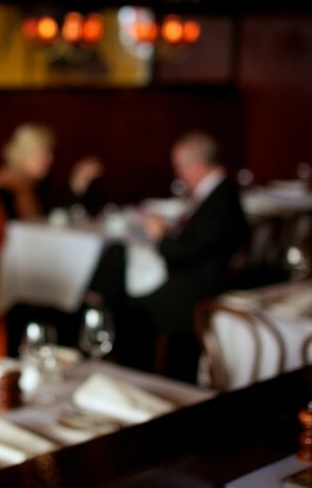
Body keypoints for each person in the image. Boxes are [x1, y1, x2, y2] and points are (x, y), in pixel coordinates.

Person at [84, 130, 249, 384]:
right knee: (119, 263)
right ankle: (117, 359)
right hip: (195, 275)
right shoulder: (219, 191)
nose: (179, 173)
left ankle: (130, 369)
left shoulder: (221, 199)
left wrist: (160, 236)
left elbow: (183, 254)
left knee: (121, 286)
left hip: (194, 290)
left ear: (198, 164)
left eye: (180, 166)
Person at [0, 122, 106, 221]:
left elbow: (57, 211)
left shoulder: (40, 183)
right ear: (21, 154)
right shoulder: (2, 190)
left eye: (49, 152)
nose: (50, 159)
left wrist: (78, 182)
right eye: (42, 153)